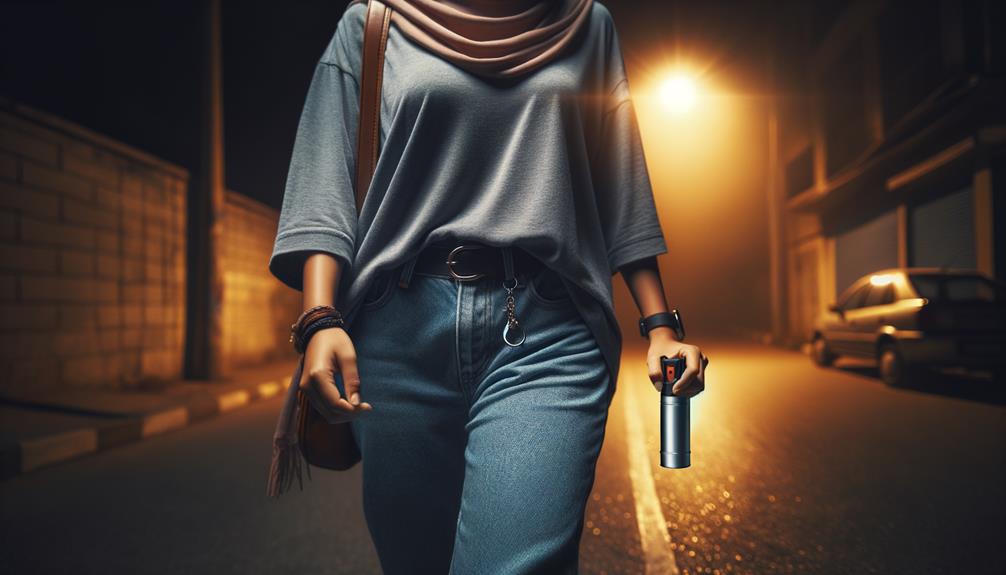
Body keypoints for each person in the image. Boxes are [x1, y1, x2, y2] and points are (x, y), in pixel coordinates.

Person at [268, 0, 708, 572]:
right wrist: (320, 319)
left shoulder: (586, 24)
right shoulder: (373, 24)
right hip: (398, 335)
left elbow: (618, 184)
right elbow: (324, 181)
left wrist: (660, 327)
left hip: (547, 329)